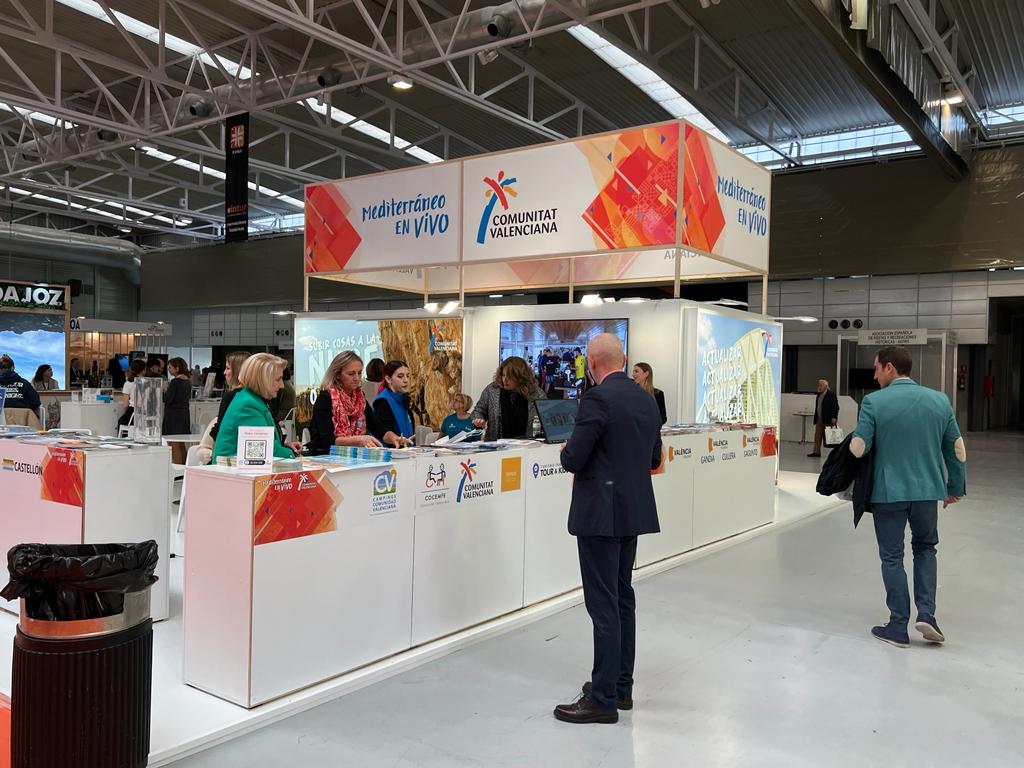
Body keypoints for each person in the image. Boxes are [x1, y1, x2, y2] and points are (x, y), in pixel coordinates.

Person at [553, 334, 662, 725]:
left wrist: (565, 451)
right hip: (631, 511)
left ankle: (602, 699)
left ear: (592, 362)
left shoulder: (596, 399)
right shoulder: (646, 399)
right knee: (621, 598)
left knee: (603, 605)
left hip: (600, 513)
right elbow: (654, 457)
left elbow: (574, 458)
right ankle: (619, 686)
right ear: (624, 359)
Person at [850, 346, 967, 649]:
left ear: (889, 367)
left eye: (876, 368)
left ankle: (898, 626)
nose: (874, 375)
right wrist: (955, 487)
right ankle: (927, 615)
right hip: (927, 492)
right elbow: (956, 448)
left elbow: (860, 447)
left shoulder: (874, 402)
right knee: (926, 549)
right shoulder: (940, 400)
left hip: (888, 493)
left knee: (892, 556)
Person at [307, 350, 408, 454]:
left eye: (359, 373)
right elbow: (327, 440)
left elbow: (377, 427)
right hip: (324, 456)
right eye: (351, 374)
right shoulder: (325, 399)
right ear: (337, 375)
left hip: (353, 456)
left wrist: (393, 437)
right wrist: (358, 440)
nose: (357, 378)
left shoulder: (360, 398)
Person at [212, 353, 303, 462]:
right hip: (231, 470)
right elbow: (267, 450)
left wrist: (284, 447)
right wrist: (293, 454)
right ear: (263, 380)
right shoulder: (248, 406)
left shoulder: (250, 400)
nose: (282, 385)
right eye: (278, 379)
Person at [471, 356, 546, 441]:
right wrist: (479, 420)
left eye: (509, 376)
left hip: (528, 444)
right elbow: (478, 411)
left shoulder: (536, 393)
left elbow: (547, 420)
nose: (505, 380)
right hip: (496, 444)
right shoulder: (492, 390)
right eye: (503, 375)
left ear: (520, 376)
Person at [209, 351, 251, 442]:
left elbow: (220, 430)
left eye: (228, 368)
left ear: (238, 371)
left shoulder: (231, 397)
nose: (224, 372)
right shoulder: (256, 396)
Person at [373, 360, 416, 441]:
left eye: (407, 376)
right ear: (388, 379)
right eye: (400, 376)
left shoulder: (404, 398)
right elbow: (384, 434)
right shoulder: (382, 402)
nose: (406, 380)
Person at [163, 357, 193, 463]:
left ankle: (177, 467)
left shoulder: (175, 382)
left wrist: (163, 392)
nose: (169, 370)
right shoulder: (187, 381)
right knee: (181, 442)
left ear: (177, 368)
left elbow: (168, 399)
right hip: (184, 414)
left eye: (170, 368)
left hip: (173, 415)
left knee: (174, 443)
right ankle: (184, 466)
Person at [0, 355, 41, 428]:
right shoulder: (24, 383)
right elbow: (36, 402)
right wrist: (24, 406)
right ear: (13, 368)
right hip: (23, 421)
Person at [808, 378, 839, 458]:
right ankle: (816, 452)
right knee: (817, 437)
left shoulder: (831, 394)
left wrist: (834, 417)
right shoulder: (819, 395)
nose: (819, 387)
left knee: (831, 438)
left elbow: (835, 407)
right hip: (819, 419)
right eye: (818, 385)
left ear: (826, 386)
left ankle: (834, 454)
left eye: (821, 385)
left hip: (828, 419)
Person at [119, 359, 147, 427]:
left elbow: (125, 405)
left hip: (133, 411)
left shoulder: (128, 383)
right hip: (145, 412)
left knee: (121, 422)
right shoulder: (147, 382)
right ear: (143, 370)